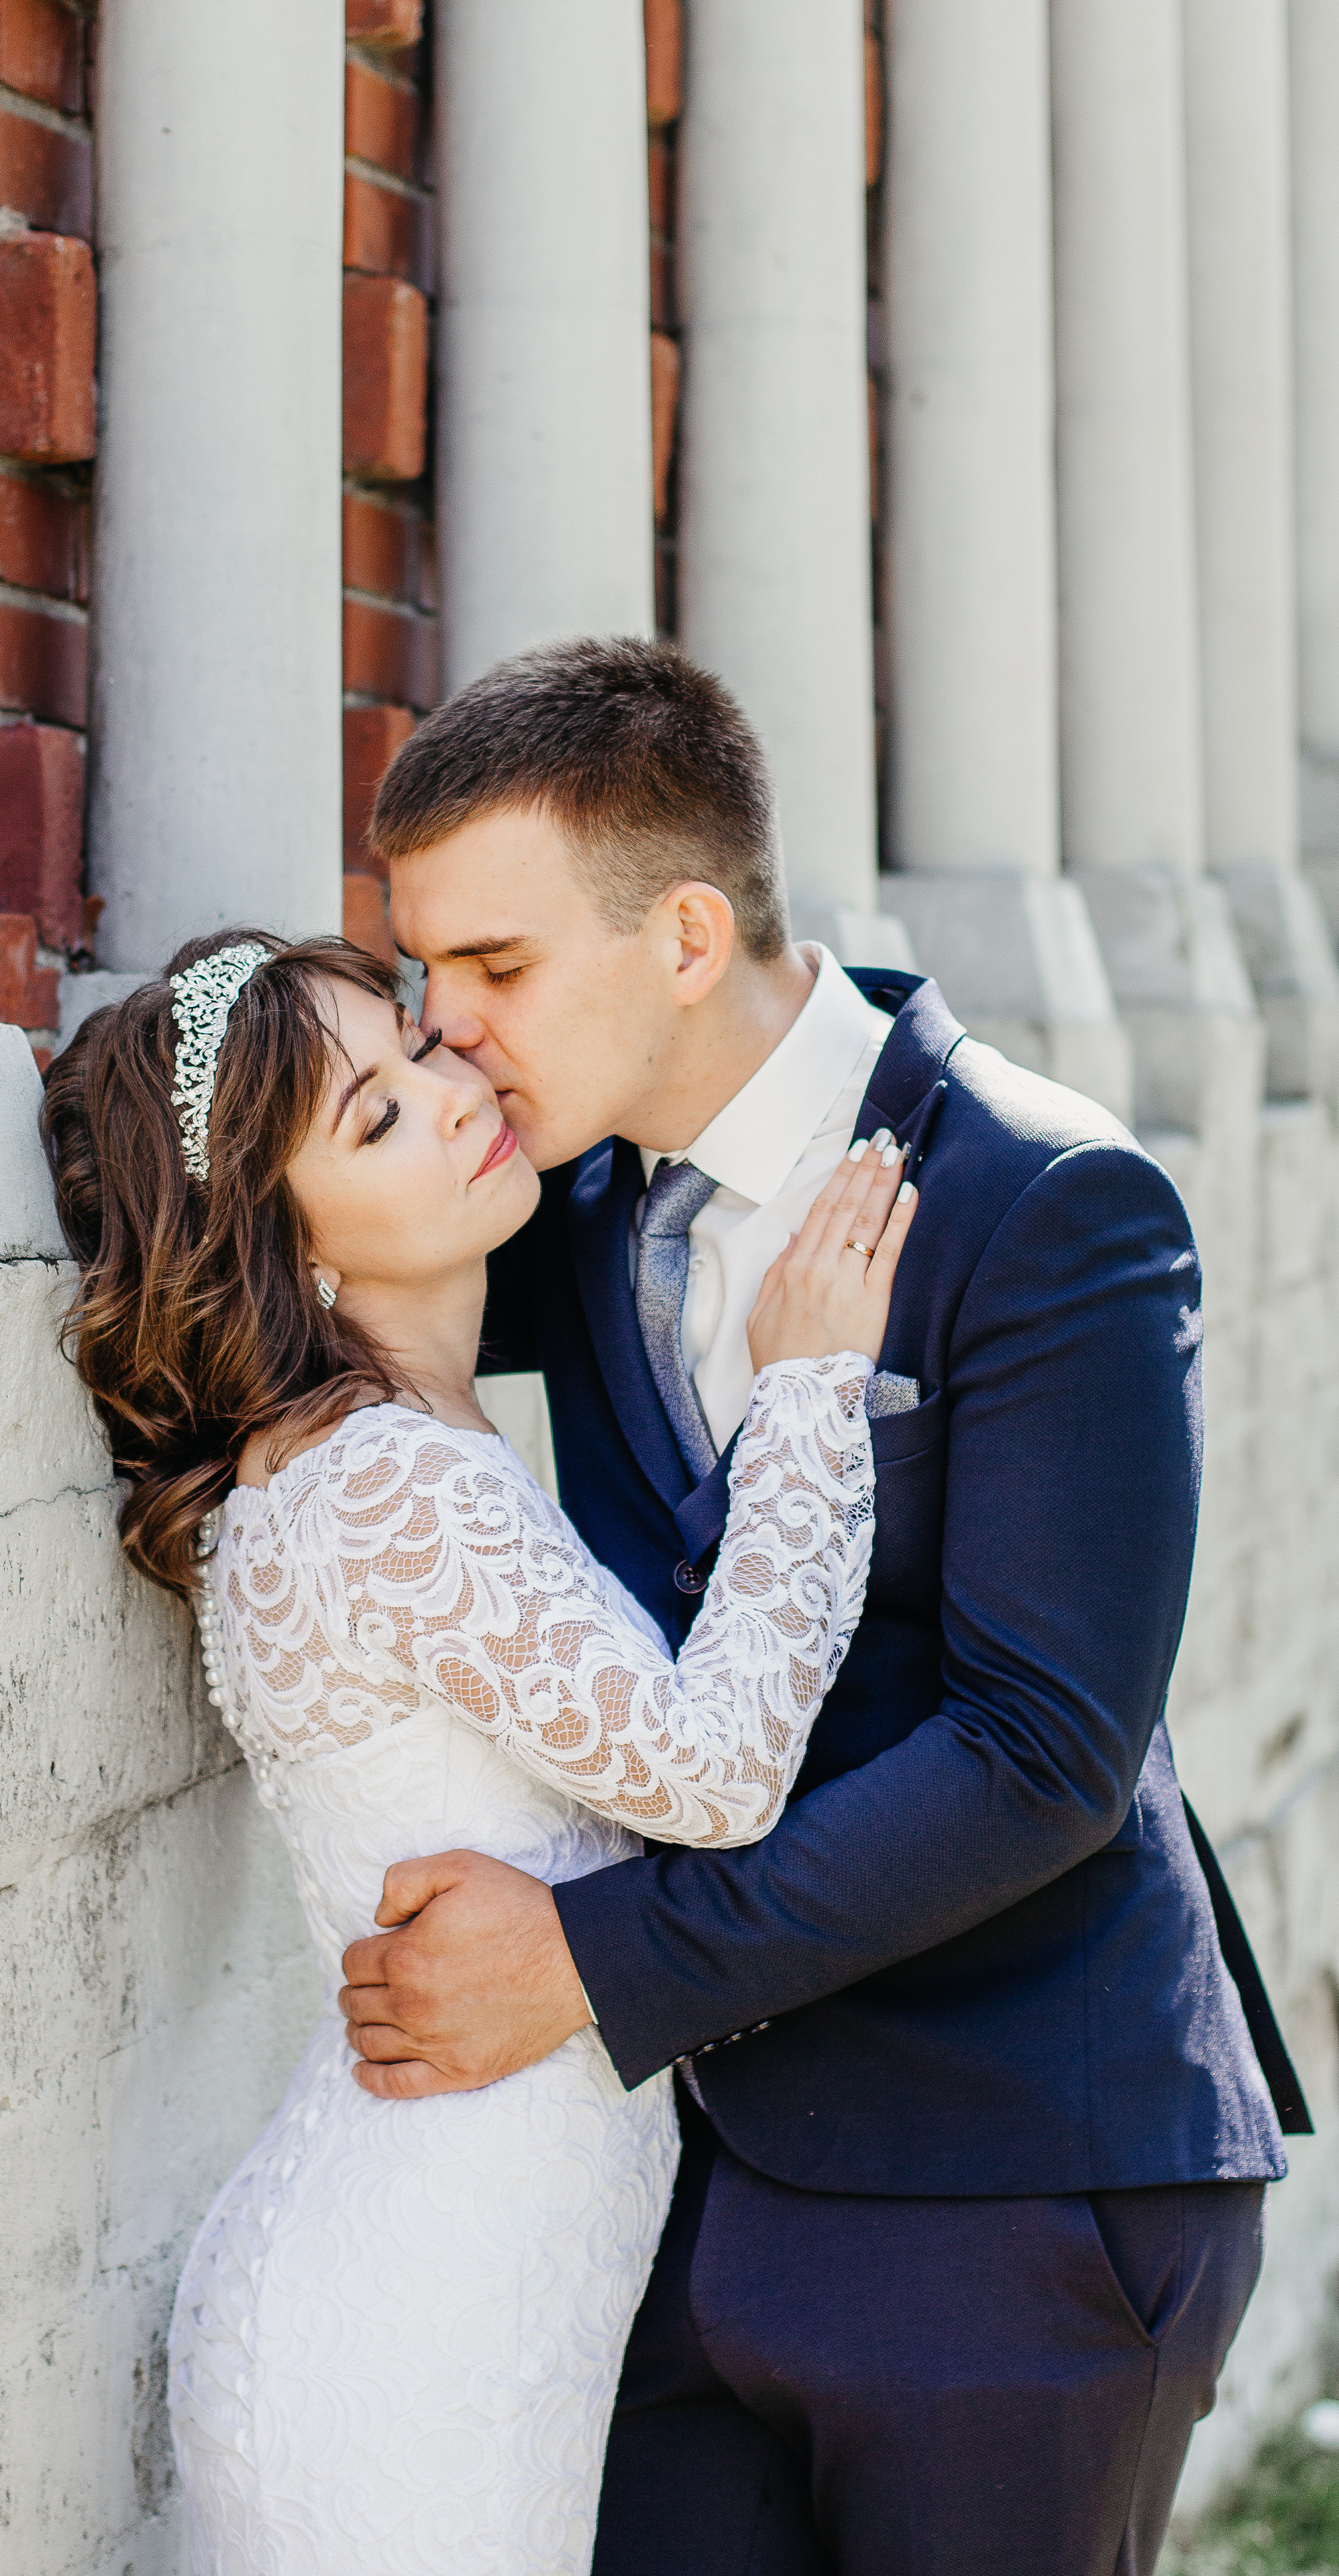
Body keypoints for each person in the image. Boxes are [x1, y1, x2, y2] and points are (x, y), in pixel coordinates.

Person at [340, 635, 1307, 2576]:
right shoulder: (567, 1197)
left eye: (495, 968)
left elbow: (1041, 1758)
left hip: (1016, 2182)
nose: (445, 1032)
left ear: (687, 938)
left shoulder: (1045, 1201)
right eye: (422, 972)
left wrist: (587, 1963)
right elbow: (309, 1241)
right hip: (683, 2200)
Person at [39, 927, 918, 2575]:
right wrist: (805, 1391)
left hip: (463, 2276)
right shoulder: (383, 1484)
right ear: (283, 1247)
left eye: (416, 1049)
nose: (453, 1096)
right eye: (373, 1119)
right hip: (420, 2324)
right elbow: (713, 1772)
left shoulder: (388, 1442)